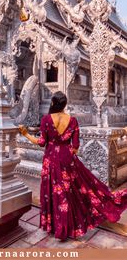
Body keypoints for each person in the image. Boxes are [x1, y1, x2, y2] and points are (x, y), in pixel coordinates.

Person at [19, 91, 127, 241]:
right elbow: (75, 146)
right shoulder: (73, 120)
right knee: (70, 192)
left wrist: (25, 133)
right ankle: (68, 226)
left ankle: (56, 227)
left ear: (52, 103)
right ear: (65, 104)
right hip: (67, 159)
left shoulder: (46, 120)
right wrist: (65, 153)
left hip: (50, 160)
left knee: (53, 192)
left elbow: (41, 142)